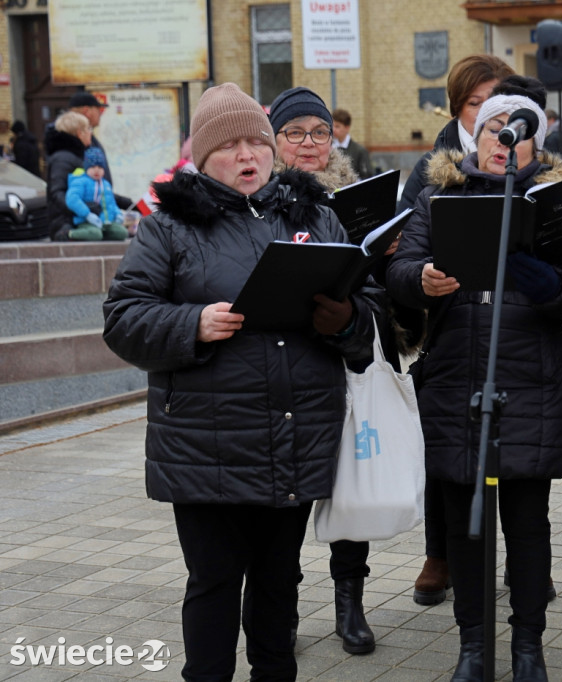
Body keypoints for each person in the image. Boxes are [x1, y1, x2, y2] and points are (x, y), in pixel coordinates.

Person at [102, 82, 383, 681]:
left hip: (296, 435)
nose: (248, 155)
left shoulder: (316, 215)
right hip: (208, 447)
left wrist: (348, 318)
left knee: (279, 584)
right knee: (214, 583)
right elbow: (123, 319)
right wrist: (192, 324)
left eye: (256, 141)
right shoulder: (169, 227)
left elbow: (369, 314)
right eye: (230, 146)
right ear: (203, 158)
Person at [387, 82, 562, 681]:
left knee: (528, 523)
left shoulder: (559, 202)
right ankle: (474, 646)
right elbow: (397, 271)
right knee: (467, 525)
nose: (506, 139)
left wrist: (550, 286)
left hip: (532, 381)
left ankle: (528, 647)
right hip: (456, 381)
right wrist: (420, 278)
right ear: (475, 139)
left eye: (519, 129)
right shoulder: (435, 198)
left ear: (535, 143)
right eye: (494, 127)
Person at [396, 53, 515, 606]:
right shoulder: (433, 170)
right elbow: (404, 251)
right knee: (446, 456)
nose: (489, 115)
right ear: (458, 109)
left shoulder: (526, 158)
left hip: (510, 331)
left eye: (499, 103)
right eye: (476, 104)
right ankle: (439, 554)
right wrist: (419, 276)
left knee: (512, 455)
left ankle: (519, 557)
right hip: (448, 329)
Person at [265, 85, 373, 657]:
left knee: (349, 492)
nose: (309, 144)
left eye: (319, 132)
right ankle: (281, 609)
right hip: (282, 370)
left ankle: (350, 603)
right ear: (274, 140)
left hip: (343, 364)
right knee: (286, 502)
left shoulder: (355, 197)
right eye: (295, 133)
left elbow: (379, 296)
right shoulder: (256, 199)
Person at [397, 54, 514, 214]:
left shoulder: (529, 160)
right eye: (474, 103)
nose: (487, 112)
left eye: (495, 102)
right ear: (457, 108)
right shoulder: (427, 170)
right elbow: (406, 233)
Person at [67, 91, 133, 210]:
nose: (101, 114)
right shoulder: (72, 144)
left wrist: (126, 204)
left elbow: (98, 186)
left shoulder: (90, 140)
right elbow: (74, 192)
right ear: (87, 111)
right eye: (99, 110)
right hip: (87, 218)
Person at [44, 111, 92, 240]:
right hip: (67, 227)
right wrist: (85, 208)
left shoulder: (78, 156)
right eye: (88, 128)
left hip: (80, 222)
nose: (90, 132)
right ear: (79, 132)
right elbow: (57, 193)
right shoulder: (63, 159)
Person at [64, 146, 128, 241]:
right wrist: (87, 214)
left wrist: (118, 214)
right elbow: (72, 199)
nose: (97, 170)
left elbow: (111, 203)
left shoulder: (105, 184)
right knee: (95, 234)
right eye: (93, 167)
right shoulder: (80, 181)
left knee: (122, 233)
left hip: (105, 222)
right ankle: (70, 234)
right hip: (86, 221)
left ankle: (101, 235)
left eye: (100, 167)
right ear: (86, 167)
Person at [331, 108, 373, 180]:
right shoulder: (328, 147)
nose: (333, 129)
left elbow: (367, 177)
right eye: (332, 126)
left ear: (347, 128)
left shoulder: (360, 151)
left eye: (337, 126)